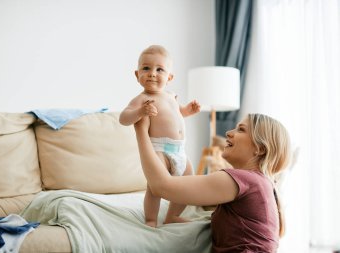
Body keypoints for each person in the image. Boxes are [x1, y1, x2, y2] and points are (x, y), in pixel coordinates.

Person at [134, 113, 291, 252]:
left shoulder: (242, 180)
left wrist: (141, 131)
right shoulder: (264, 184)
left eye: (241, 130)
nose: (229, 133)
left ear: (260, 148)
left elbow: (160, 186)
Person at [119, 45, 201, 227]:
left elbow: (178, 114)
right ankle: (150, 219)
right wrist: (140, 112)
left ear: (169, 77)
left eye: (160, 69)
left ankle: (172, 215)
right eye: (146, 68)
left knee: (188, 184)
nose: (152, 73)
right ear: (137, 74)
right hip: (159, 150)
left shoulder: (171, 96)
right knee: (155, 187)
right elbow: (123, 118)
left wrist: (188, 110)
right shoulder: (141, 100)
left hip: (180, 150)